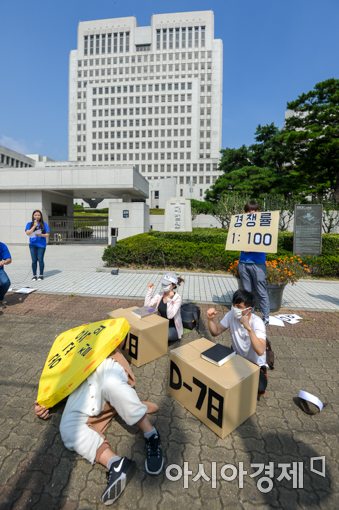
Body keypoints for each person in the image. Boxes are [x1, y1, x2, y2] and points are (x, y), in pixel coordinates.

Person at [35, 350, 164, 505]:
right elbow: (55, 377)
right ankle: (115, 464)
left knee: (112, 384)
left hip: (104, 362)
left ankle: (151, 434)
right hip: (80, 382)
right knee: (68, 428)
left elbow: (117, 335)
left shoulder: (101, 329)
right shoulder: (63, 344)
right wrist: (45, 403)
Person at [207, 289, 268, 397]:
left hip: (255, 364)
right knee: (220, 379)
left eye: (239, 307)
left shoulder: (257, 322)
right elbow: (215, 332)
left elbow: (260, 350)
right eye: (234, 305)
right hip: (237, 358)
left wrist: (249, 328)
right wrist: (210, 320)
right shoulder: (231, 315)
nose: (235, 309)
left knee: (259, 387)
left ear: (249, 309)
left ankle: (263, 374)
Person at [238, 200, 270, 325]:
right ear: (245, 212)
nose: (252, 212)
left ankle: (266, 315)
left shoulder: (265, 225)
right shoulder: (241, 225)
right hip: (244, 262)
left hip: (258, 263)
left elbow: (268, 242)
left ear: (258, 211)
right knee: (247, 291)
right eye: (249, 210)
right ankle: (250, 313)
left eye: (254, 210)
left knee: (261, 290)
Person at [145, 272, 184, 343]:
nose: (163, 286)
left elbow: (170, 315)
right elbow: (147, 306)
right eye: (163, 284)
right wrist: (150, 290)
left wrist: (169, 299)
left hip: (172, 326)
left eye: (166, 284)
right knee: (149, 331)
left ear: (173, 285)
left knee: (164, 335)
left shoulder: (177, 298)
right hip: (160, 324)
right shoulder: (160, 294)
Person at [25, 209, 50, 281]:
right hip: (32, 245)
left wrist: (41, 234)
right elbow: (28, 233)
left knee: (40, 259)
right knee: (34, 260)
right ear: (33, 216)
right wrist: (34, 226)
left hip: (41, 245)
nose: (37, 216)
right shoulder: (29, 224)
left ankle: (41, 275)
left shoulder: (44, 224)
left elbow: (47, 234)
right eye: (35, 215)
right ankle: (34, 275)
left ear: (41, 216)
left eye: (38, 215)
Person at [0, 241, 12, 308]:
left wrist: (4, 261)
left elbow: (9, 260)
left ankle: (0, 299)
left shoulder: (2, 246)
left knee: (6, 282)